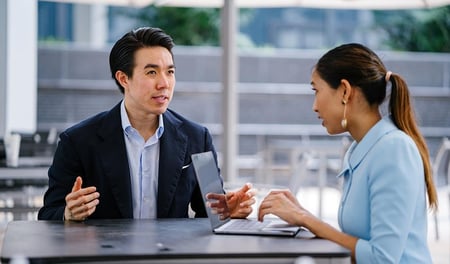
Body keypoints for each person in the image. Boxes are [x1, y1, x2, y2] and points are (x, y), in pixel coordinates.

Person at [38, 27, 255, 221]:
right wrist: (68, 213)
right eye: (151, 72)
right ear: (124, 79)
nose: (164, 83)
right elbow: (48, 214)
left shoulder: (198, 138)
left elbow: (211, 211)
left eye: (170, 72)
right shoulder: (78, 141)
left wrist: (228, 212)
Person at [257, 43, 438, 263]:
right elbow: (358, 242)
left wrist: (305, 219)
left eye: (316, 90)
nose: (314, 106)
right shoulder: (359, 149)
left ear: (345, 91)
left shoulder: (394, 149)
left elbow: (382, 258)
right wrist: (300, 213)